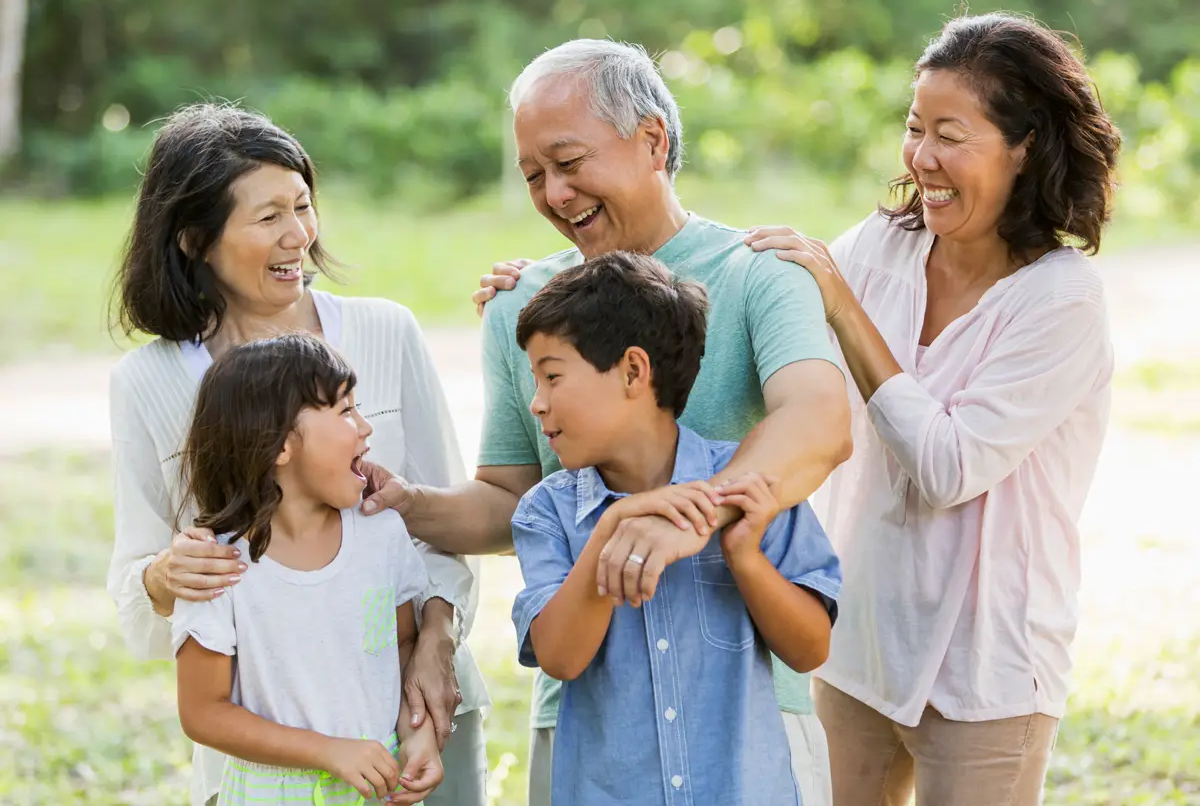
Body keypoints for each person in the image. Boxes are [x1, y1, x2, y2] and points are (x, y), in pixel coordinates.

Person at [363, 39, 852, 806]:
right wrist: (406, 505)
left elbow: (820, 422)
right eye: (533, 175)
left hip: (746, 710)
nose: (555, 194)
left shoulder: (761, 271)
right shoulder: (525, 307)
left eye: (568, 162)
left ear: (653, 140)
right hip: (594, 722)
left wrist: (684, 519)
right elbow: (509, 500)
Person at [738, 13, 1120, 804]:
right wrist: (550, 287)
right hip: (862, 647)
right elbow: (747, 316)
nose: (921, 158)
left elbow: (949, 466)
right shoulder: (882, 247)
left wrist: (843, 307)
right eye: (915, 129)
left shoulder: (1063, 300)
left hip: (990, 670)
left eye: (951, 134)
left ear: (1024, 146)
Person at [106, 104, 489, 806]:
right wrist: (166, 577)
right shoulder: (148, 383)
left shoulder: (384, 331)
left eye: (303, 206)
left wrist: (436, 645)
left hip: (420, 720)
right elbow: (139, 589)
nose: (299, 235)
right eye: (268, 217)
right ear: (194, 239)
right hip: (264, 765)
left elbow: (440, 529)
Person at [509, 252, 842, 805]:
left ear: (633, 372)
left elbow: (810, 650)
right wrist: (612, 525)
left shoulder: (750, 491)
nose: (537, 404)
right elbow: (561, 659)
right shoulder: (548, 513)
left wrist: (745, 555)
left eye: (551, 377)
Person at [174, 334, 442, 805]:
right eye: (344, 411)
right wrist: (328, 752)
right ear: (278, 443)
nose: (365, 427)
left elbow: (401, 647)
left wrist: (418, 736)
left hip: (377, 790)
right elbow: (202, 712)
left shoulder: (381, 535)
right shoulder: (217, 566)